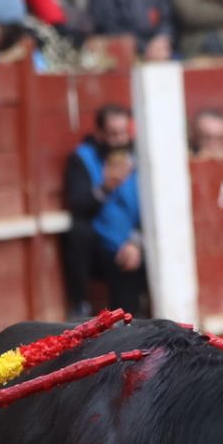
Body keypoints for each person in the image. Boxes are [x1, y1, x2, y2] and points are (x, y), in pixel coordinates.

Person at [61, 103, 144, 316]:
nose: (120, 140)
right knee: (79, 233)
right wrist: (106, 187)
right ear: (100, 134)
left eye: (123, 133)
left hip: (134, 244)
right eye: (113, 134)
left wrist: (136, 243)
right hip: (100, 247)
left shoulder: (141, 158)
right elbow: (79, 206)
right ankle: (79, 305)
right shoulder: (83, 159)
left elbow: (151, 210)